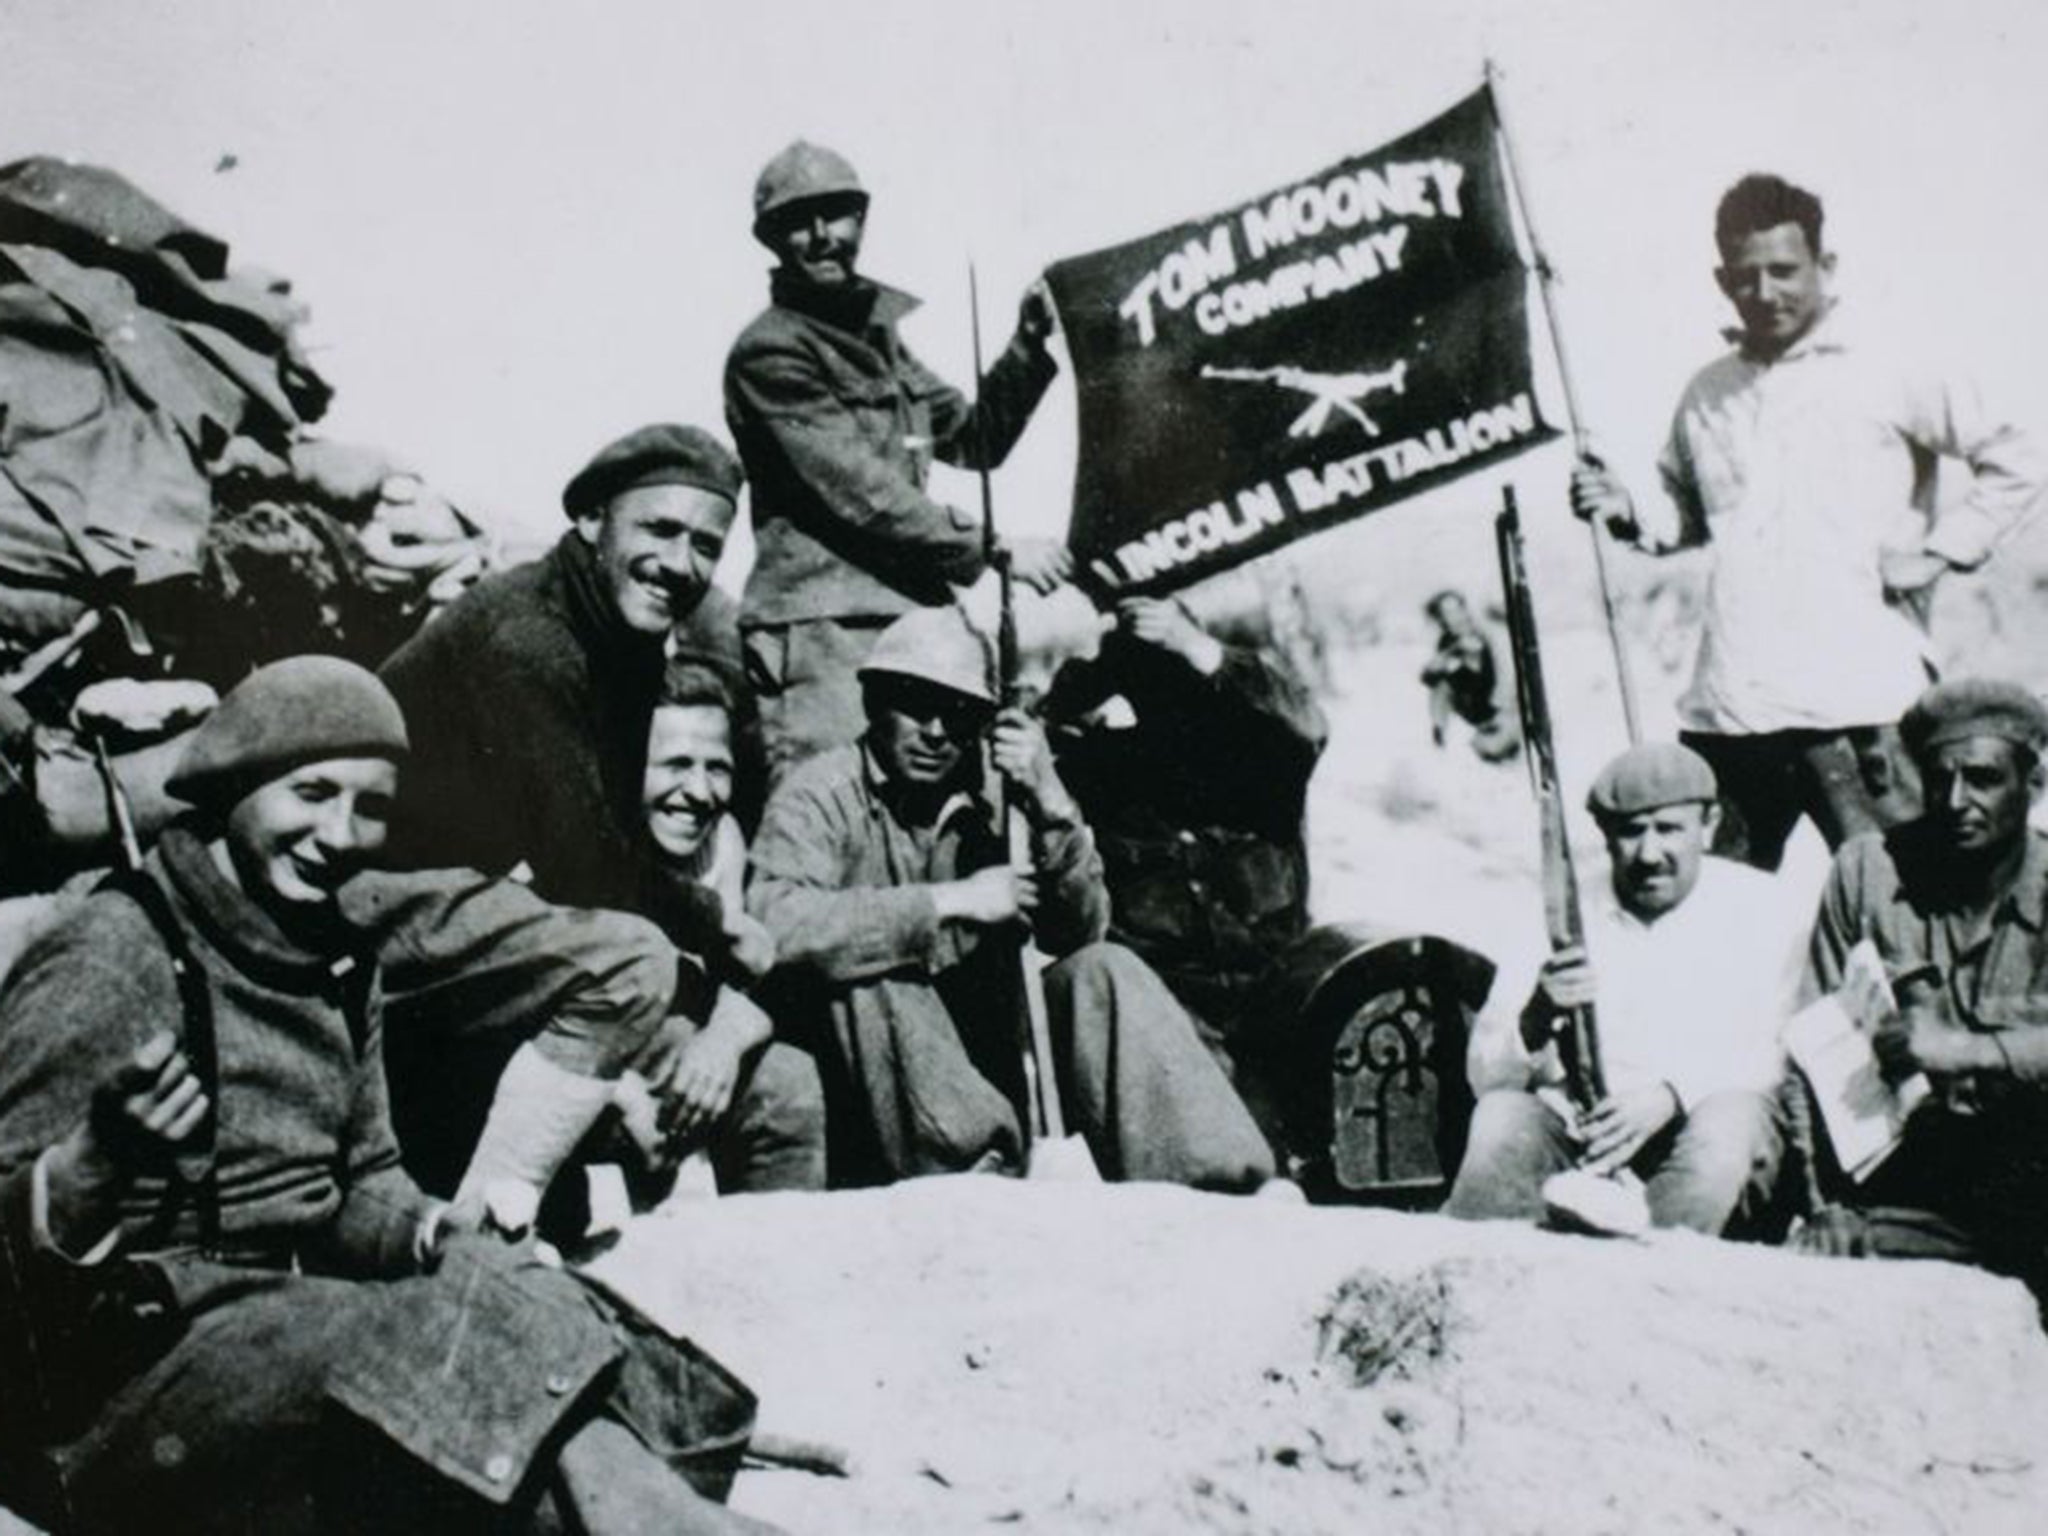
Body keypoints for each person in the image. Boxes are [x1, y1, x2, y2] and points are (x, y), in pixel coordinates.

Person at [0, 656, 775, 1536]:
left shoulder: (337, 955)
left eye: (369, 807)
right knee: (407, 1335)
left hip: (278, 1354)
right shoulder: (116, 954)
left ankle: (654, 1512)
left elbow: (359, 1181)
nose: (339, 834)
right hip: (116, 1394)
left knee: (536, 1296)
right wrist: (86, 1169)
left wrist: (433, 1230)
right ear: (233, 784)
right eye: (313, 793)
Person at [1570, 173, 2044, 871]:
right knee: (1718, 910)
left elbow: (2021, 458)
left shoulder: (1888, 368)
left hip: (1861, 705)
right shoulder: (1708, 392)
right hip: (1733, 707)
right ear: (1720, 278)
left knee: (1907, 900)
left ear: (1826, 266)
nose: (1765, 294)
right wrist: (1627, 509)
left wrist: (1938, 552)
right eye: (1744, 276)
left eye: (1785, 271)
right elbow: (1686, 514)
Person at [747, 604, 1275, 1190]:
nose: (938, 733)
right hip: (883, 1096)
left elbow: (1078, 931)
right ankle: (974, 1173)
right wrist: (948, 903)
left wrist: (1051, 804)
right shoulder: (820, 795)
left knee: (1104, 970)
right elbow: (772, 925)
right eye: (917, 706)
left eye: (959, 714)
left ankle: (1214, 1179)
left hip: (989, 1060)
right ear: (875, 702)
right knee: (873, 965)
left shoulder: (995, 794)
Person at [725, 139, 1068, 783]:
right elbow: (860, 489)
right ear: (773, 239)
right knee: (823, 814)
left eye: (839, 214)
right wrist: (993, 547)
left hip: (907, 625)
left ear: (863, 221)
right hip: (822, 633)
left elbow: (975, 437)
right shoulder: (769, 352)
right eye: (801, 222)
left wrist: (1028, 344)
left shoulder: (880, 341)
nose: (824, 236)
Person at [381, 423, 748, 910]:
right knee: (642, 963)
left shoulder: (620, 634)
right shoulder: (529, 638)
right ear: (594, 518)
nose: (680, 564)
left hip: (451, 888)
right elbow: (583, 871)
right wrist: (718, 925)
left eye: (706, 547)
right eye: (660, 530)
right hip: (373, 900)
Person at [1445, 742, 1791, 1234]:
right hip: (1580, 1140)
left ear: (1709, 826)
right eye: (1631, 833)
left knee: (1728, 1129)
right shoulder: (1560, 914)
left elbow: (1780, 1048)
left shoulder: (1763, 907)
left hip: (1695, 1134)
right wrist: (1535, 1018)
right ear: (1606, 837)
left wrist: (1673, 1095)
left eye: (1669, 830)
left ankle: (1652, 1268)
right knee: (1501, 1120)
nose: (1650, 854)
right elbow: (1485, 1077)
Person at [1793, 679, 2048, 1303]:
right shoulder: (1868, 872)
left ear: (2033, 787)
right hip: (1912, 1180)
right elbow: (1811, 1047)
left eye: (1984, 779)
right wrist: (1821, 1204)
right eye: (1940, 780)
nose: (1957, 801)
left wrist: (1968, 1050)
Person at [1043, 596, 1326, 1099]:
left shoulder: (1262, 753)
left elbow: (1305, 725)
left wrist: (1196, 646)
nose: (1171, 704)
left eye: (1183, 679)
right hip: (1172, 1013)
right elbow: (1044, 734)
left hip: (1274, 993)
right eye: (1148, 685)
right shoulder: (1105, 769)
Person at [1418, 589, 1519, 764]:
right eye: (1448, 613)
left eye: (1458, 609)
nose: (1456, 617)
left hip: (1496, 700)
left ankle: (1500, 740)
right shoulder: (1447, 641)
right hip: (1474, 702)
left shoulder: (1484, 632)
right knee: (1442, 683)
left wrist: (1501, 701)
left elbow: (1504, 665)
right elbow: (1434, 679)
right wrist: (1439, 725)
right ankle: (1442, 729)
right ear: (1440, 619)